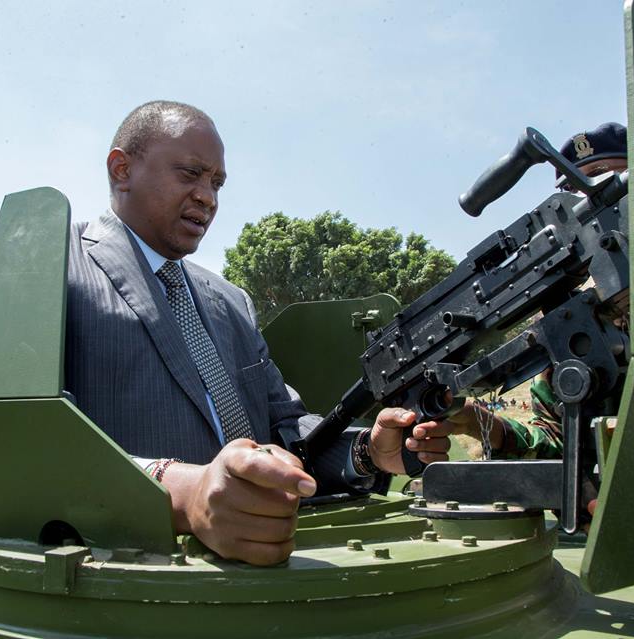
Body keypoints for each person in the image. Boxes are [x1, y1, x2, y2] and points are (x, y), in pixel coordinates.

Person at [64, 101, 454, 565]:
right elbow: (25, 440)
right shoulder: (51, 265)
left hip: (258, 574)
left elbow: (285, 426)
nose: (208, 198)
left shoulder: (230, 300)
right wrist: (184, 494)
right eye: (190, 174)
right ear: (122, 169)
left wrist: (368, 451)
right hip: (133, 577)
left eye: (217, 183)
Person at [439, 122, 628, 462]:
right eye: (571, 187)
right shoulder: (581, 326)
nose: (587, 196)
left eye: (602, 174)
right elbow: (556, 443)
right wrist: (483, 424)